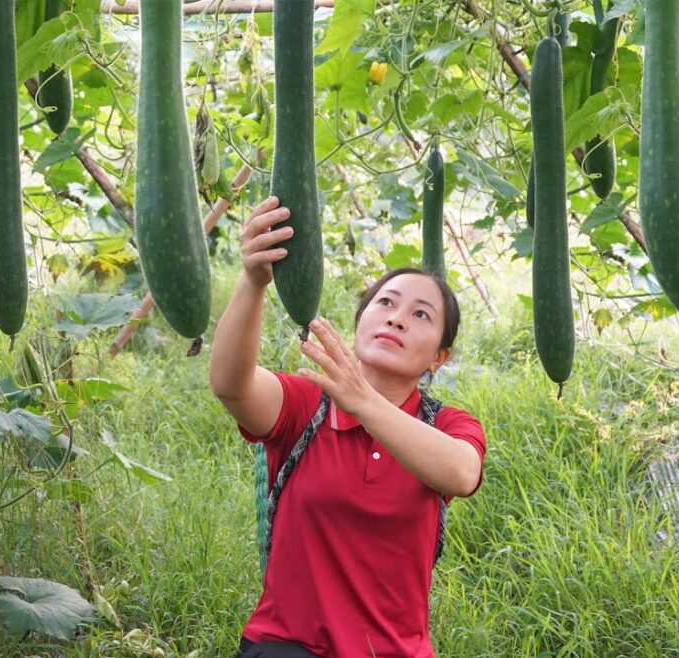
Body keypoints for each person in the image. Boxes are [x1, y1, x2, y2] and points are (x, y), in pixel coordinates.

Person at [208, 196, 487, 658]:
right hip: (288, 648)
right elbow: (230, 386)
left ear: (440, 357)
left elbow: (460, 473)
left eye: (421, 315)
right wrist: (254, 281)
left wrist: (362, 400)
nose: (397, 317)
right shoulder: (306, 404)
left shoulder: (447, 425)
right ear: (361, 322)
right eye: (386, 303)